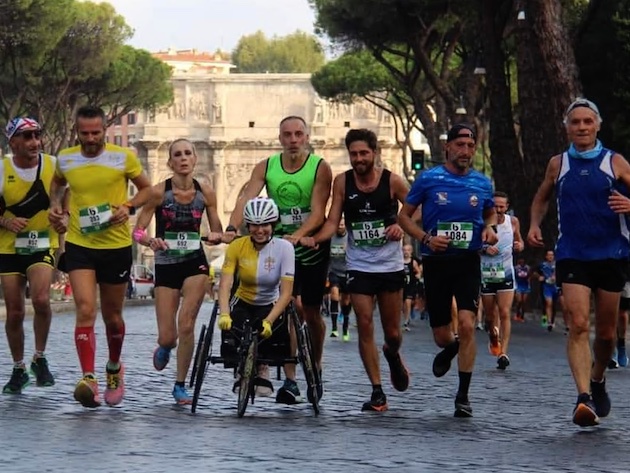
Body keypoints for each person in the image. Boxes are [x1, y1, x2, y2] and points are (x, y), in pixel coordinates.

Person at [527, 98, 630, 427]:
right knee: (579, 324)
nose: (582, 127)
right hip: (572, 253)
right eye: (576, 122)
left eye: (588, 121)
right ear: (567, 127)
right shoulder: (558, 164)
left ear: (597, 125)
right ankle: (583, 396)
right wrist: (533, 224)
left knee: (606, 334)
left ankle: (598, 379)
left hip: (612, 253)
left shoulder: (616, 162)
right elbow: (542, 196)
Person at [48, 105, 152, 408]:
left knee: (113, 317)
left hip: (116, 246)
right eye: (85, 133)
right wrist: (58, 206)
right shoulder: (66, 158)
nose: (90, 138)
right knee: (84, 308)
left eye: (96, 133)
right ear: (77, 131)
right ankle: (89, 378)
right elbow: (57, 183)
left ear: (105, 130)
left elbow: (148, 191)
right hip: (81, 244)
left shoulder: (124, 157)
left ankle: (114, 368)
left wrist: (129, 206)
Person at [223, 116, 332, 404]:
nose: (293, 139)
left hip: (309, 247)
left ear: (306, 137)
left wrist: (297, 236)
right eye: (287, 134)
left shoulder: (320, 167)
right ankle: (290, 377)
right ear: (280, 138)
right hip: (275, 245)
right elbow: (245, 199)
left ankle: (316, 364)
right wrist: (233, 229)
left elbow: (319, 212)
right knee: (285, 303)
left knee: (309, 312)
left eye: (298, 134)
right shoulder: (266, 166)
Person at [302, 128, 409, 412]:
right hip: (359, 265)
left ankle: (392, 354)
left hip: (390, 266)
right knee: (363, 322)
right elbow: (332, 220)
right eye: (354, 154)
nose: (359, 158)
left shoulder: (393, 181)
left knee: (393, 333)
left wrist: (400, 224)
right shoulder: (342, 182)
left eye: (364, 153)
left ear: (374, 153)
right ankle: (377, 390)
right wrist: (315, 238)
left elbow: (416, 210)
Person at [399, 124, 497, 418]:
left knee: (467, 324)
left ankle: (463, 396)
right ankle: (451, 349)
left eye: (470, 146)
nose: (465, 151)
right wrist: (426, 239)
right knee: (443, 337)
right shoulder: (428, 179)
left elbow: (490, 211)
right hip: (436, 262)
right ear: (448, 148)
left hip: (467, 261)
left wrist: (490, 227)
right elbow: (404, 217)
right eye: (460, 145)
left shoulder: (483, 182)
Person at [132, 139, 223, 404]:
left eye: (187, 153)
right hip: (166, 264)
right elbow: (138, 230)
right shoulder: (158, 192)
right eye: (177, 155)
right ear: (170, 162)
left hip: (195, 262)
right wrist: (150, 241)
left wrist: (216, 235)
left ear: (195, 159)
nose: (183, 158)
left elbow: (217, 229)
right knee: (168, 336)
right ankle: (165, 346)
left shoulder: (206, 193)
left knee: (186, 325)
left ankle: (180, 384)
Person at [0, 117, 60, 394]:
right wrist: (6, 222)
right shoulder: (2, 169)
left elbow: (67, 192)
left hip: (41, 243)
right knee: (14, 312)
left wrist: (64, 215)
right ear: (13, 142)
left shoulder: (53, 165)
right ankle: (19, 367)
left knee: (41, 299)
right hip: (8, 248)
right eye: (26, 137)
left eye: (37, 135)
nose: (34, 142)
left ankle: (40, 356)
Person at [218, 197, 295, 396]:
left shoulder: (285, 248)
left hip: (271, 300)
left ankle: (262, 369)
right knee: (235, 329)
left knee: (272, 333)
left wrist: (269, 321)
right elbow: (225, 283)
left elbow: (286, 293)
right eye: (254, 225)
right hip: (243, 298)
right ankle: (241, 367)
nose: (260, 231)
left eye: (265, 225)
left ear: (273, 225)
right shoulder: (236, 246)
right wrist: (224, 313)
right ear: (248, 225)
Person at [479, 191, 524, 370]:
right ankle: (492, 336)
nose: (498, 210)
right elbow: (471, 247)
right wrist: (483, 249)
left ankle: (503, 353)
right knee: (490, 317)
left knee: (505, 312)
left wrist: (519, 245)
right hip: (487, 274)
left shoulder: (512, 222)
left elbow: (520, 242)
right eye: (495, 206)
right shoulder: (483, 223)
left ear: (507, 207)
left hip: (506, 273)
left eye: (501, 206)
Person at [328, 219, 352, 341]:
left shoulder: (349, 238)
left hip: (347, 272)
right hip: (334, 272)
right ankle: (334, 328)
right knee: (334, 295)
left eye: (342, 225)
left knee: (346, 301)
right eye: (338, 225)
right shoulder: (331, 238)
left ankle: (345, 328)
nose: (340, 227)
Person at [535, 250, 559, 331]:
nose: (550, 257)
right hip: (545, 286)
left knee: (554, 304)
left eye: (552, 255)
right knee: (547, 303)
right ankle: (546, 321)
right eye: (549, 255)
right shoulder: (542, 265)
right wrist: (539, 276)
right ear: (546, 256)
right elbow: (534, 272)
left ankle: (552, 321)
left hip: (555, 287)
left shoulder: (557, 264)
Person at [402, 243, 421, 331]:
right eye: (404, 250)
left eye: (408, 250)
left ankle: (406, 320)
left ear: (411, 252)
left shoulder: (413, 262)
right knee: (402, 304)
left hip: (410, 285)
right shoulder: (399, 261)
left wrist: (418, 275)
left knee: (408, 302)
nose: (406, 252)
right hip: (401, 285)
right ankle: (405, 316)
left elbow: (418, 271)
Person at [514, 257, 531, 321]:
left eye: (523, 261)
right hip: (518, 285)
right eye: (520, 261)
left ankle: (522, 316)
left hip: (525, 285)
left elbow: (530, 275)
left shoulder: (527, 268)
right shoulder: (516, 268)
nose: (522, 262)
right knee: (519, 301)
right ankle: (517, 313)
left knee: (524, 301)